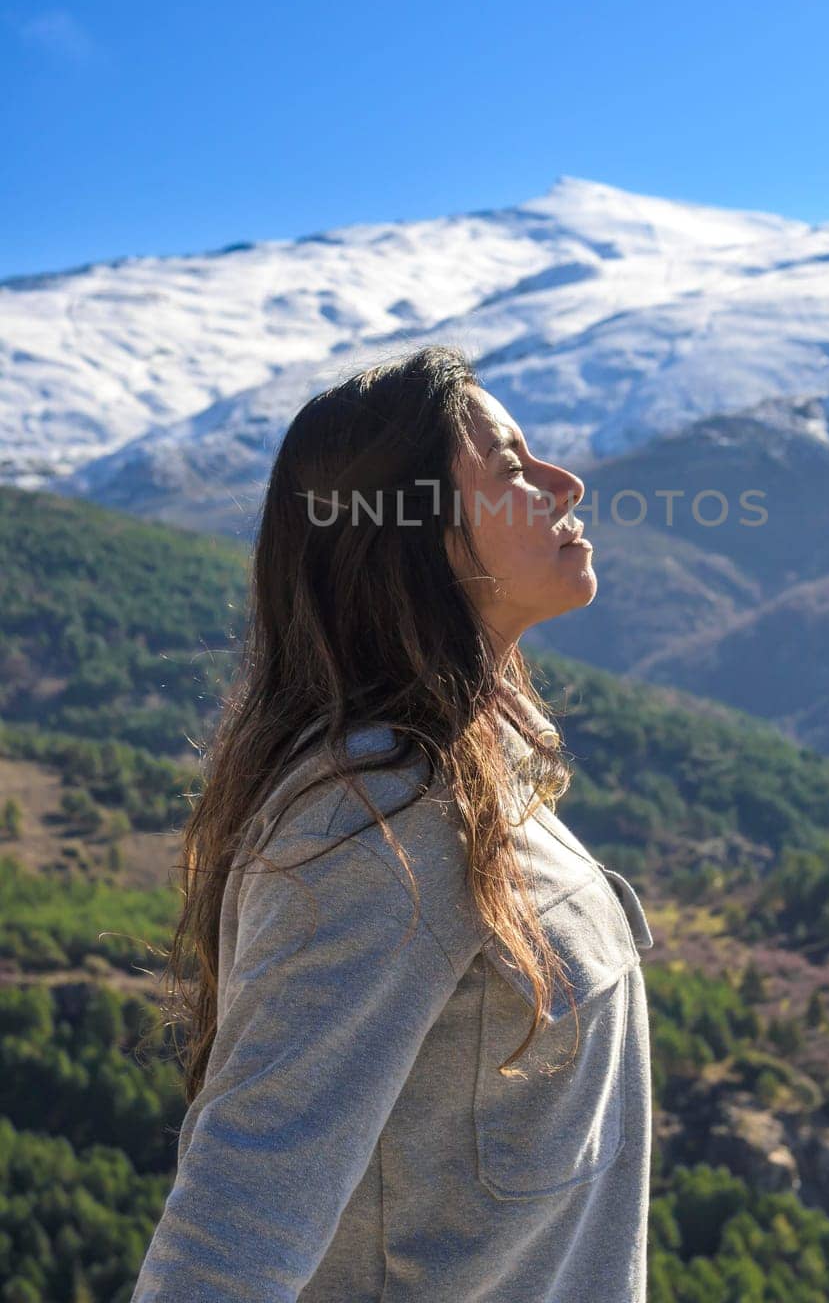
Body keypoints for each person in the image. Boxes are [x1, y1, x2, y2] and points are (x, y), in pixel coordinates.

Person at [131, 342, 654, 1303]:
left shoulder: (469, 774)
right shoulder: (378, 817)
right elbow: (243, 1198)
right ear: (415, 533)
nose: (565, 482)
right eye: (509, 467)